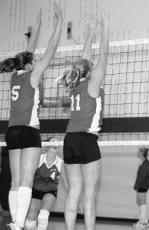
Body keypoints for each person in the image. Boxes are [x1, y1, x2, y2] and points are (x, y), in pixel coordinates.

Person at [0, 5, 63, 230]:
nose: (37, 62)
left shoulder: (15, 77)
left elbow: (27, 52)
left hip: (12, 131)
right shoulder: (33, 76)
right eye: (33, 60)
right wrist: (58, 24)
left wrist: (36, 28)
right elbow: (52, 49)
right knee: (26, 181)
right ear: (29, 65)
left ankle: (16, 222)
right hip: (28, 131)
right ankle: (18, 222)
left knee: (15, 182)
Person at [57, 11, 109, 230]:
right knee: (89, 194)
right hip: (87, 140)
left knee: (73, 193)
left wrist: (89, 35)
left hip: (70, 140)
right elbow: (103, 55)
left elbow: (83, 60)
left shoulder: (74, 84)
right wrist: (106, 28)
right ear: (90, 72)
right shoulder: (92, 85)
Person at [24, 137, 65, 230]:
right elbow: (29, 176)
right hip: (36, 190)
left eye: (57, 141)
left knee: (43, 216)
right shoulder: (39, 159)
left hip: (50, 191)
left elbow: (67, 182)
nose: (56, 143)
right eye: (53, 141)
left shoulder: (60, 163)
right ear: (46, 147)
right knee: (30, 222)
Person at [133, 147, 149, 228]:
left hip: (143, 186)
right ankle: (143, 220)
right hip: (141, 186)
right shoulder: (142, 162)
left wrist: (137, 186)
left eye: (139, 151)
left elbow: (143, 177)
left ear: (142, 153)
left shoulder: (146, 164)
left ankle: (143, 222)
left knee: (142, 203)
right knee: (140, 202)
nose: (137, 152)